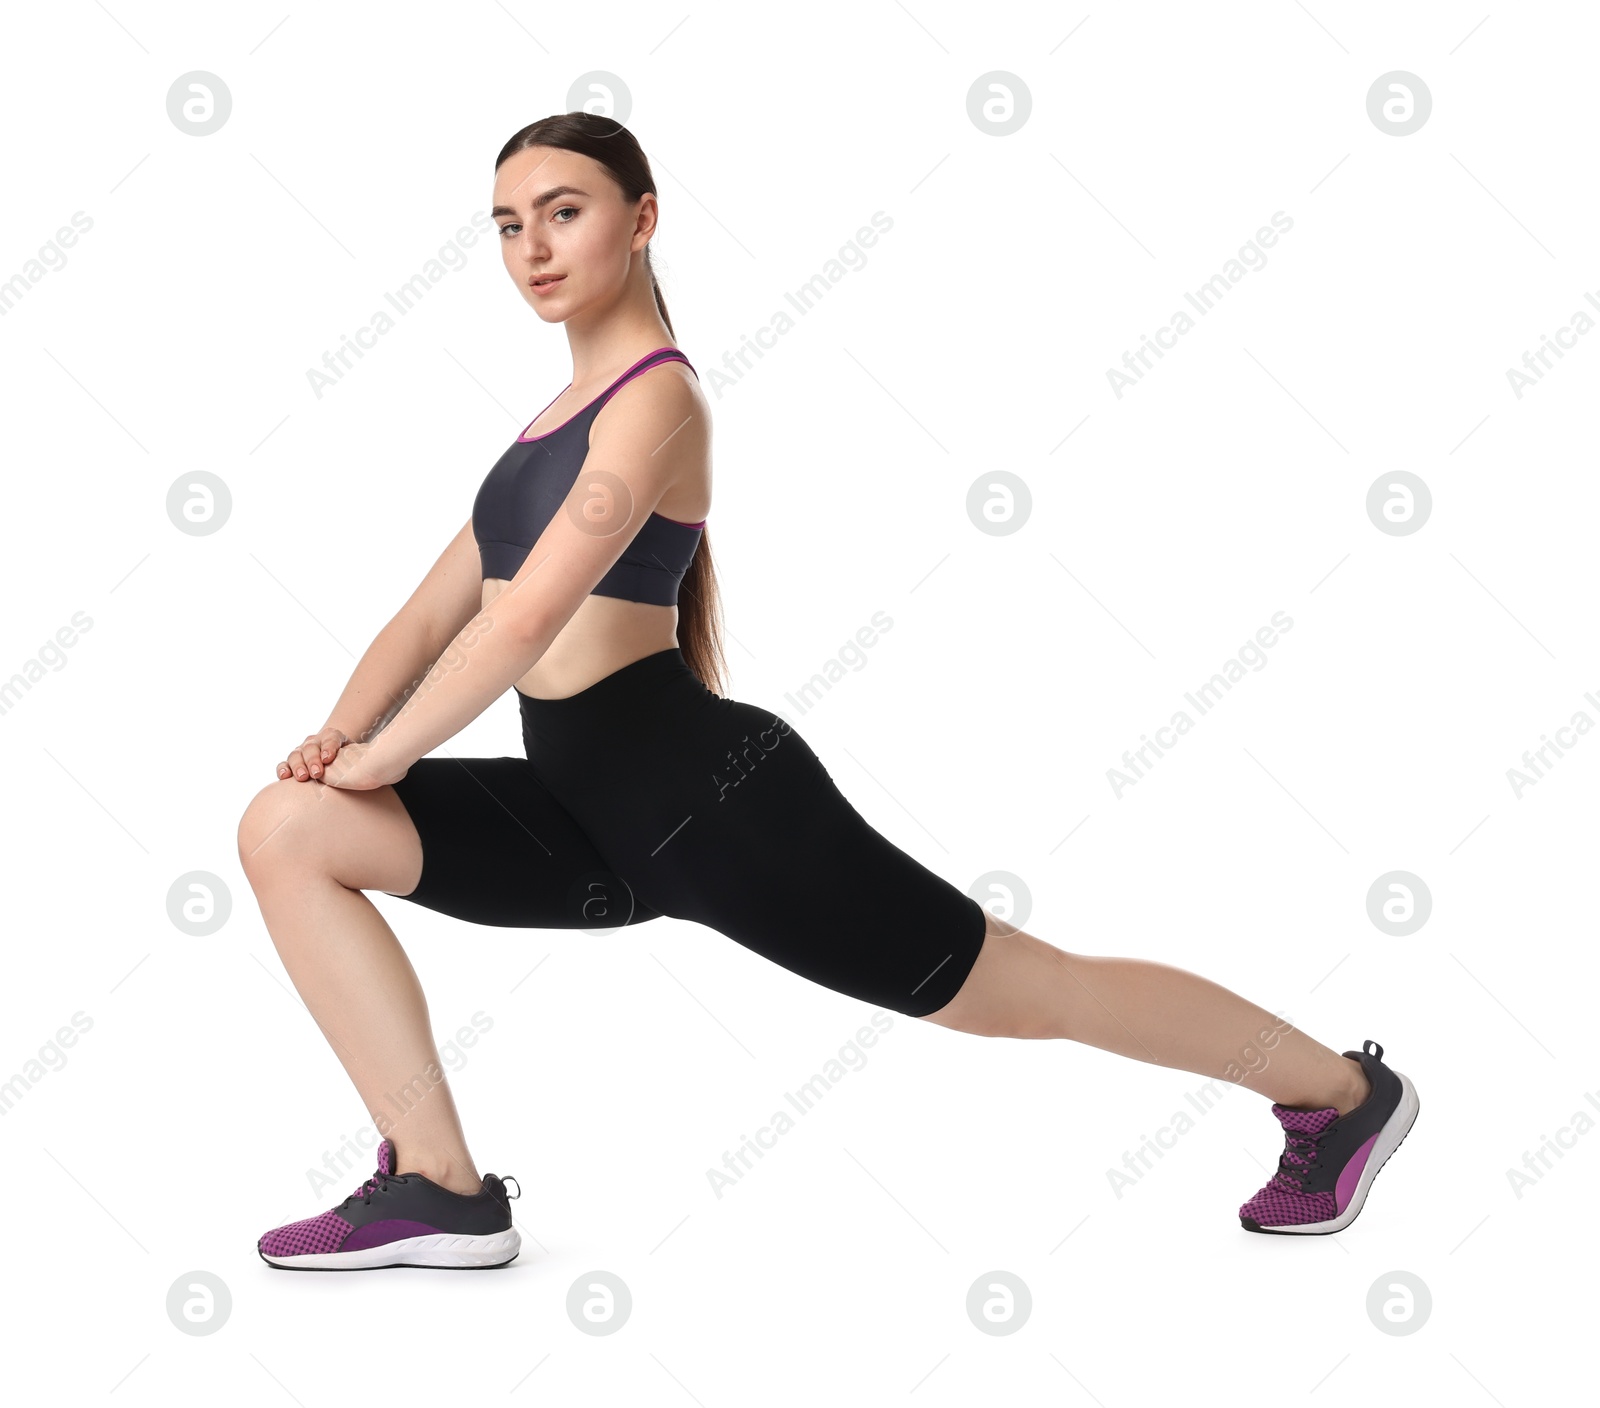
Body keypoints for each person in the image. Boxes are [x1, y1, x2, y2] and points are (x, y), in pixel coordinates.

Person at [238, 113, 1419, 1272]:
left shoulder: (656, 400)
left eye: (562, 212)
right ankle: (438, 1188)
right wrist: (339, 736)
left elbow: (529, 616)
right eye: (506, 226)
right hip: (581, 815)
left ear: (641, 220)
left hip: (714, 806)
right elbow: (433, 611)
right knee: (287, 829)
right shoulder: (542, 429)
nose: (531, 248)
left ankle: (1338, 1090)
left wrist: (385, 759)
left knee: (1016, 989)